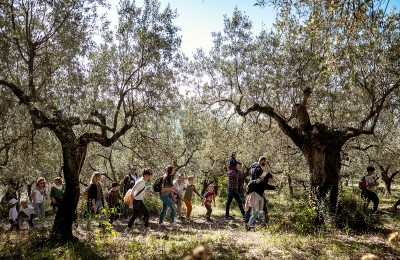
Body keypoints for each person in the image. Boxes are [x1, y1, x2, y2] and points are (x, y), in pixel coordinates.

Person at [125, 168, 153, 234]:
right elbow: (132, 192)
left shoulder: (143, 180)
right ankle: (146, 228)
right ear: (145, 175)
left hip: (137, 201)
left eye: (150, 175)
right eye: (148, 175)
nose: (149, 176)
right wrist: (131, 203)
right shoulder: (141, 181)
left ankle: (128, 229)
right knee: (147, 214)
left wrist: (149, 196)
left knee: (135, 215)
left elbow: (143, 189)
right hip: (137, 201)